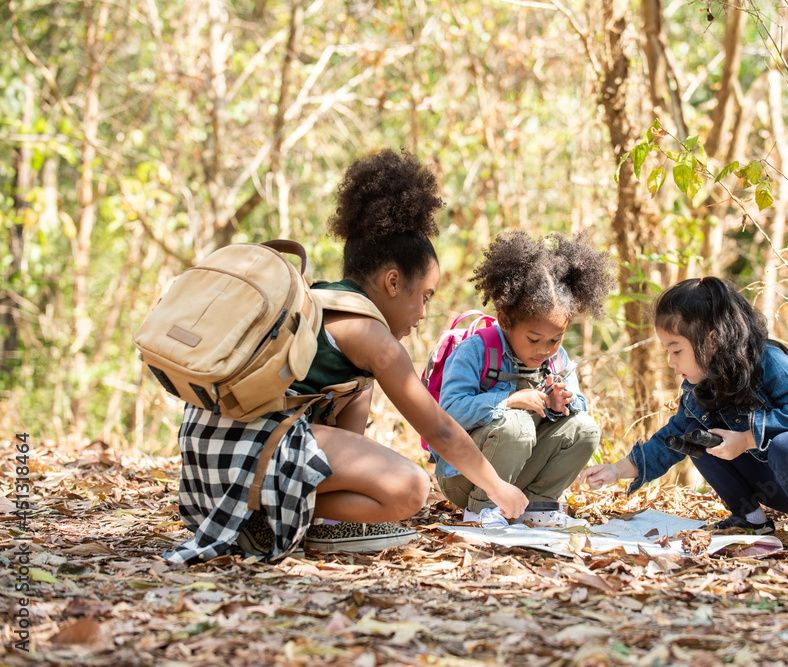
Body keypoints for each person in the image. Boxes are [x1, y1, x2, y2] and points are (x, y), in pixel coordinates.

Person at [163, 149, 527, 565]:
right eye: (424, 297)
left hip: (205, 461)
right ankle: (258, 520)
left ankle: (270, 515)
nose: (424, 314)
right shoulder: (371, 336)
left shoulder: (319, 299)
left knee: (359, 398)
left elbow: (350, 443)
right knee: (410, 487)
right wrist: (499, 488)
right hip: (245, 459)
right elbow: (440, 431)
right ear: (392, 281)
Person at [578, 277, 788, 552]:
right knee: (695, 440)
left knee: (786, 444)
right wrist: (615, 470)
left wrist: (747, 438)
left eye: (676, 350)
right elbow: (668, 441)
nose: (671, 362)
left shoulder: (769, 361)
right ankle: (752, 520)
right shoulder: (700, 389)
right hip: (771, 483)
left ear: (712, 340)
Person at [435, 231, 612, 529]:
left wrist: (561, 405)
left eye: (555, 340)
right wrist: (508, 401)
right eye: (534, 339)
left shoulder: (557, 359)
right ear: (505, 321)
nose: (544, 349)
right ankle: (482, 510)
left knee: (585, 429)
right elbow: (447, 413)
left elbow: (577, 406)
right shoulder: (476, 351)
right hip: (464, 477)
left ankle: (537, 505)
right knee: (516, 424)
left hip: (520, 469)